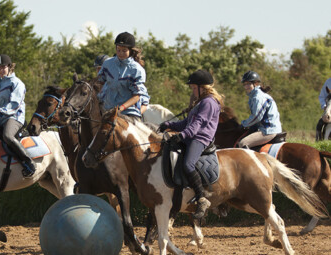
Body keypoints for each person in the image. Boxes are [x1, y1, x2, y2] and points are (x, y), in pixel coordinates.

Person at [158, 70, 224, 219]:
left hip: (200, 138)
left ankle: (201, 198)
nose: (193, 91)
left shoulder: (208, 102)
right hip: (192, 136)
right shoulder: (201, 101)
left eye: (194, 88)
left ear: (203, 87)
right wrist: (169, 125)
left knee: (188, 164)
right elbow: (187, 123)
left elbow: (198, 125)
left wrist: (182, 135)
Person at [97, 32, 150, 119]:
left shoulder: (137, 70)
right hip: (108, 111)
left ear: (131, 51)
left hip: (129, 113)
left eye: (124, 51)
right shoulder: (107, 64)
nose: (121, 53)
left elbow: (136, 96)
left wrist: (120, 109)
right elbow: (98, 84)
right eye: (118, 50)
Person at [237, 71, 282, 148]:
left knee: (242, 143)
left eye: (248, 84)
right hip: (266, 129)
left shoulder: (258, 97)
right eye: (244, 84)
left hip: (268, 131)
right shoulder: (254, 96)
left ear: (256, 84)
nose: (246, 86)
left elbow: (256, 117)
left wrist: (244, 124)